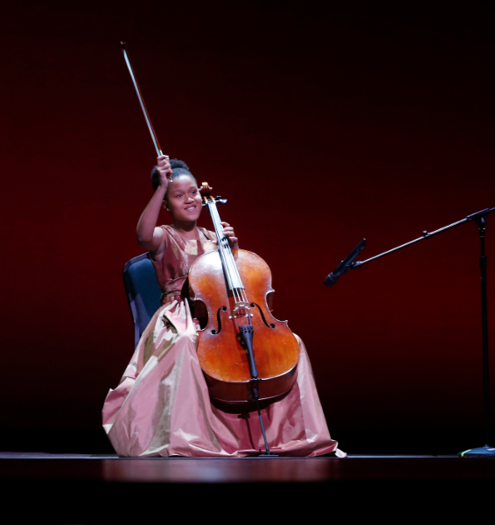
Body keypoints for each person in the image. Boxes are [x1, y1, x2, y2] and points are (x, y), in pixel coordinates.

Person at [102, 155, 343, 457]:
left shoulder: (214, 237)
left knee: (291, 343)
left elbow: (241, 285)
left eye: (193, 193)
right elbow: (143, 235)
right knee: (189, 343)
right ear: (166, 204)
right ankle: (190, 437)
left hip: (222, 318)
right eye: (178, 195)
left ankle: (293, 433)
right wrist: (159, 187)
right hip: (180, 317)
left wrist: (234, 251)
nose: (189, 199)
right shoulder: (165, 236)